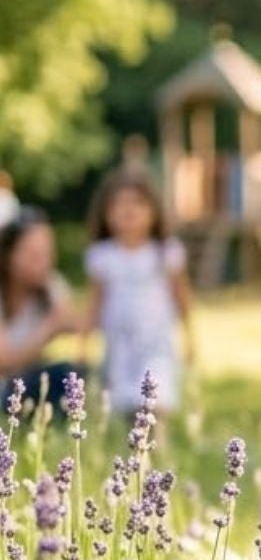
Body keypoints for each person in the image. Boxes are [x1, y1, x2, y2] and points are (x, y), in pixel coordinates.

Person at [83, 165, 194, 421]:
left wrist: (189, 336)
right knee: (124, 402)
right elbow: (95, 301)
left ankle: (159, 449)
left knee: (156, 396)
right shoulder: (103, 256)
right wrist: (84, 339)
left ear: (154, 212)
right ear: (106, 213)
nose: (128, 210)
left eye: (137, 203)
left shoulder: (164, 252)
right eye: (119, 204)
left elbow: (181, 295)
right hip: (119, 342)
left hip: (156, 340)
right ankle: (131, 457)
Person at [0, 207, 88, 407]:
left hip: (30, 387)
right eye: (32, 254)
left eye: (46, 253)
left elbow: (77, 329)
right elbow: (4, 363)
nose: (42, 262)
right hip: (5, 389)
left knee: (72, 375)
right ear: (8, 256)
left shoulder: (52, 286)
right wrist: (49, 329)